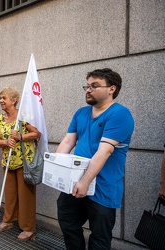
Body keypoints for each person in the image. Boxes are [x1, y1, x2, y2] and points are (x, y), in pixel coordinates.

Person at [56, 68, 134, 250]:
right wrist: (56, 170)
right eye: (87, 85)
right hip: (74, 183)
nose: (88, 90)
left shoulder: (120, 114)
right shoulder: (81, 113)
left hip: (102, 188)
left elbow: (104, 152)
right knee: (67, 221)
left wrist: (85, 182)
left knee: (99, 238)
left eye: (94, 86)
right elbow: (68, 141)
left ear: (111, 89)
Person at [0, 87, 40, 241]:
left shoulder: (23, 116)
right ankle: (8, 220)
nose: (1, 101)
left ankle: (28, 228)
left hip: (23, 162)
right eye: (0, 98)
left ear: (13, 101)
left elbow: (36, 134)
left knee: (26, 195)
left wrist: (20, 136)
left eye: (4, 98)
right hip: (7, 162)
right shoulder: (0, 119)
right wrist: (5, 141)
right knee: (10, 194)